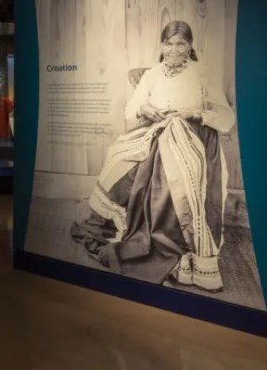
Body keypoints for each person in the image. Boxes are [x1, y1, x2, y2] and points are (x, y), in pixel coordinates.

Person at [71, 21, 235, 293]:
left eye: (181, 43)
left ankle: (183, 251)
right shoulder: (152, 75)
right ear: (161, 46)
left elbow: (226, 118)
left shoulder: (202, 73)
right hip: (156, 133)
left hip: (193, 138)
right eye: (168, 43)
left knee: (178, 177)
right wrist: (145, 108)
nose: (174, 50)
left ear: (190, 46)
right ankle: (140, 231)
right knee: (119, 160)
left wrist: (194, 115)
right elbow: (130, 110)